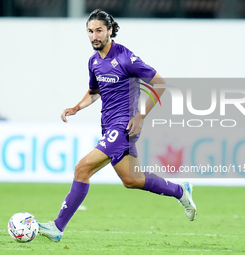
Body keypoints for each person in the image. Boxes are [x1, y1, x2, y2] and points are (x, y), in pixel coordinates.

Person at [38, 9, 197, 242]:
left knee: (82, 168)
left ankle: (57, 227)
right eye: (90, 31)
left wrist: (141, 116)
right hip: (109, 126)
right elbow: (94, 92)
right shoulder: (93, 62)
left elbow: (160, 84)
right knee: (131, 180)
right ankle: (181, 191)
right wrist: (77, 107)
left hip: (124, 126)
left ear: (110, 30)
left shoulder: (125, 57)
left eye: (99, 31)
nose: (94, 36)